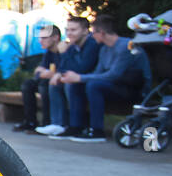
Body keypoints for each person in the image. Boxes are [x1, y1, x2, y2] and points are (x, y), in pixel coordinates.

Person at [55, 13, 151, 143]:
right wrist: (77, 79)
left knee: (93, 85)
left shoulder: (126, 47)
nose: (92, 36)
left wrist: (79, 77)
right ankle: (75, 127)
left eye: (93, 33)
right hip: (115, 86)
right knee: (77, 84)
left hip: (133, 89)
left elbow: (113, 75)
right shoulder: (105, 49)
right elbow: (98, 72)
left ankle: (97, 131)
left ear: (102, 33)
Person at [38, 16, 99, 136]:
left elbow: (82, 68)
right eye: (68, 30)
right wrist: (59, 74)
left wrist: (64, 53)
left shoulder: (92, 45)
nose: (69, 33)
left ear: (85, 31)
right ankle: (57, 124)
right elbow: (65, 66)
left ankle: (74, 126)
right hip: (78, 79)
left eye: (73, 30)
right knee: (54, 84)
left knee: (69, 85)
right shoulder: (73, 45)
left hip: (92, 80)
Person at [13, 23, 63, 132]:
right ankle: (30, 122)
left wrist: (49, 73)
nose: (40, 41)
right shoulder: (49, 53)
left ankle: (47, 123)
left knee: (44, 85)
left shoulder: (63, 50)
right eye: (40, 38)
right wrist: (45, 73)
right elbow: (38, 71)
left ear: (56, 38)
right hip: (48, 81)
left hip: (61, 82)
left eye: (44, 37)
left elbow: (64, 69)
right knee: (28, 84)